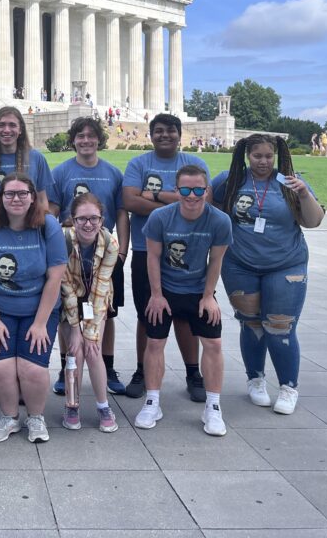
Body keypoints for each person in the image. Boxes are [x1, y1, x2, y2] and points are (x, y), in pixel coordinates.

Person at [212, 134, 324, 415]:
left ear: (276, 157)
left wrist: (303, 193)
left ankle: (288, 386)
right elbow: (207, 210)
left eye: (268, 156)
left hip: (286, 265)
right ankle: (255, 379)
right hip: (240, 265)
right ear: (247, 156)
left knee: (280, 326)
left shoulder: (289, 182)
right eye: (257, 156)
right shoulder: (230, 181)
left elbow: (314, 221)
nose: (263, 162)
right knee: (251, 324)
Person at [0, 173, 67, 443]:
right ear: (0, 198)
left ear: (33, 197)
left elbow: (55, 276)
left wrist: (39, 323)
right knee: (1, 368)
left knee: (31, 368)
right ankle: (9, 417)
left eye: (23, 193)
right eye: (9, 194)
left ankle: (36, 418)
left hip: (39, 309)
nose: (16, 198)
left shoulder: (48, 225)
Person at [135, 165, 232, 436]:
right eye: (186, 190)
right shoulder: (160, 217)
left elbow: (216, 260)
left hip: (198, 289)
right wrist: (156, 295)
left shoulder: (220, 220)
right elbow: (152, 257)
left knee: (213, 343)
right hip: (165, 289)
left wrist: (208, 296)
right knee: (154, 342)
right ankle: (152, 401)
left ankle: (213, 407)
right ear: (176, 191)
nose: (192, 196)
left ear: (207, 190)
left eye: (199, 189)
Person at [122, 113, 210, 402]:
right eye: (158, 131)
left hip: (187, 252)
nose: (165, 135)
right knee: (147, 313)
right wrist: (180, 199)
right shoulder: (139, 163)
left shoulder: (193, 165)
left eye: (171, 131)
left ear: (179, 134)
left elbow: (202, 202)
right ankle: (141, 371)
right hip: (146, 249)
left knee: (185, 315)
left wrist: (155, 196)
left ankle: (192, 372)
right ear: (151, 135)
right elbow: (130, 201)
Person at [50, 116, 129, 395]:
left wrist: (122, 251)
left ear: (99, 139)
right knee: (66, 316)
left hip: (104, 254)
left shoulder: (112, 173)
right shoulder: (60, 172)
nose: (85, 140)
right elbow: (52, 213)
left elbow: (120, 213)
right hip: (69, 254)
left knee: (105, 313)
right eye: (80, 136)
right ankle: (65, 367)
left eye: (91, 136)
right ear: (73, 141)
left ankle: (106, 368)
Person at [59, 192, 120, 433]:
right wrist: (75, 329)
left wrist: (91, 332)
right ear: (72, 220)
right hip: (69, 297)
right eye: (82, 219)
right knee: (76, 351)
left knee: (93, 350)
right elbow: (64, 286)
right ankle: (72, 405)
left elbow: (102, 285)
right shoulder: (62, 240)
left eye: (93, 218)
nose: (88, 224)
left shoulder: (110, 243)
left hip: (96, 298)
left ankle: (103, 405)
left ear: (102, 220)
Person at [0, 106, 56, 214]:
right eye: (1, 125)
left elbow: (42, 200)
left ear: (20, 130)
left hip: (30, 224)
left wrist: (42, 226)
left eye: (12, 125)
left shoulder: (36, 158)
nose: (7, 130)